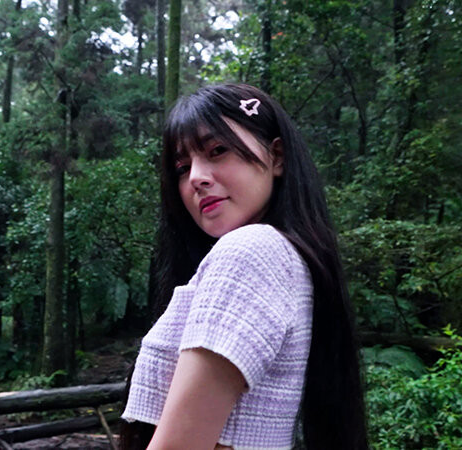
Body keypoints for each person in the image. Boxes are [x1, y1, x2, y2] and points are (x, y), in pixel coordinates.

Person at [119, 84, 367, 450]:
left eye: (217, 150)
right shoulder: (286, 258)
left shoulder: (251, 252)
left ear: (276, 156)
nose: (196, 178)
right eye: (182, 167)